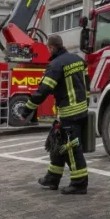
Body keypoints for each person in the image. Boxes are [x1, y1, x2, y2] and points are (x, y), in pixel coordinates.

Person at [20, 33, 90, 195]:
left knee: (72, 148)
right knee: (56, 142)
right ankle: (52, 177)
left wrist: (26, 111)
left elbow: (43, 90)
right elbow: (87, 82)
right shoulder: (78, 60)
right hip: (80, 110)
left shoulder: (56, 65)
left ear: (51, 47)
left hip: (69, 113)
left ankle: (79, 183)